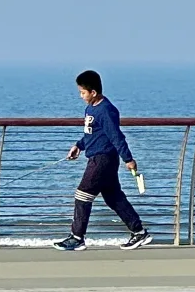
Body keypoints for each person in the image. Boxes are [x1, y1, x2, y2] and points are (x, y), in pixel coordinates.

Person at [52, 70, 152, 251]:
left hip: (103, 160)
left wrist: (128, 159)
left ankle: (77, 237)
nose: (80, 96)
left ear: (93, 92)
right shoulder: (90, 108)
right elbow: (92, 134)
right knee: (114, 197)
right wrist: (78, 146)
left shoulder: (106, 110)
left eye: (83, 92)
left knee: (82, 195)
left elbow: (116, 136)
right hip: (97, 157)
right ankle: (139, 232)